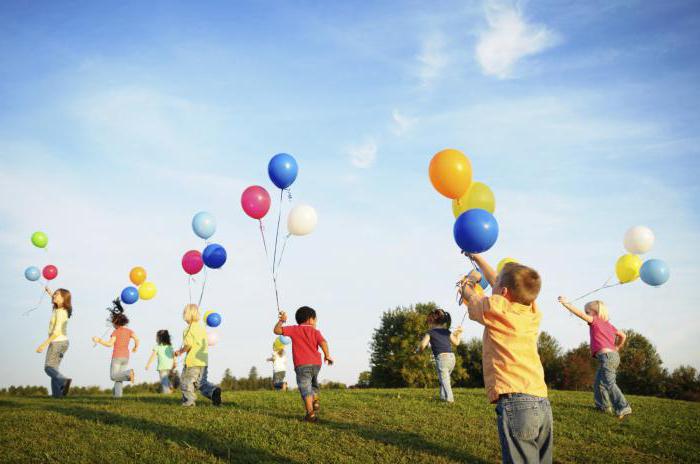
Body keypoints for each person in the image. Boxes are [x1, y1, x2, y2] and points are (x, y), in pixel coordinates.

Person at [461, 255, 552, 464]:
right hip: (541, 401)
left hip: (517, 403)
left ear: (502, 293)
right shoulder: (532, 310)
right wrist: (477, 258)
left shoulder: (496, 309)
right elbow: (500, 283)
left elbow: (473, 300)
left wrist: (467, 285)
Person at [558, 297, 631, 419]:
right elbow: (623, 335)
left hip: (607, 357)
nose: (586, 315)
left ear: (594, 313)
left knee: (609, 383)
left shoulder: (595, 321)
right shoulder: (609, 325)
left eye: (587, 312)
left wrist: (566, 304)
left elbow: (580, 314)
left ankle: (623, 406)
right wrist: (617, 346)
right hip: (611, 356)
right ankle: (603, 406)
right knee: (599, 383)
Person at [274, 306, 333, 422]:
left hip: (302, 365)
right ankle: (315, 399)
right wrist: (327, 355)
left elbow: (276, 331)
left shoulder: (294, 329)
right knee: (313, 384)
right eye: (315, 320)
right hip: (316, 364)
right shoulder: (315, 331)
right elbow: (323, 342)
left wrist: (282, 320)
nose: (316, 322)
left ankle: (310, 414)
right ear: (310, 320)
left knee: (305, 388)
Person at [174, 304, 222, 407]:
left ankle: (189, 402)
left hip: (193, 361)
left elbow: (188, 345)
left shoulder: (187, 330)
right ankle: (213, 391)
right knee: (201, 383)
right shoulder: (201, 328)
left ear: (187, 315)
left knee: (186, 382)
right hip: (203, 361)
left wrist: (180, 351)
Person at [92, 299, 139, 398]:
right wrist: (135, 346)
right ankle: (118, 397)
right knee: (119, 378)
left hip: (117, 357)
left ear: (115, 322)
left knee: (113, 376)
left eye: (112, 321)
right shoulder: (129, 331)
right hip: (126, 357)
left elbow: (109, 344)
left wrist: (99, 340)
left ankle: (129, 374)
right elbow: (137, 338)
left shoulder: (115, 332)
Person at [417, 308, 463, 403]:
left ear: (431, 321)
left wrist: (419, 350)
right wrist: (459, 333)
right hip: (452, 358)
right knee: (444, 378)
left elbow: (422, 345)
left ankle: (450, 400)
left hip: (442, 359)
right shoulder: (446, 331)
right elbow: (457, 342)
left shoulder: (430, 332)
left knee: (445, 380)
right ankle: (442, 397)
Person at [36, 287, 73, 398]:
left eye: (57, 294)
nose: (54, 296)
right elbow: (55, 298)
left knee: (48, 368)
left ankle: (64, 381)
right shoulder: (61, 310)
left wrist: (44, 344)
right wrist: (50, 292)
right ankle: (57, 396)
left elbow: (56, 332)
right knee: (54, 369)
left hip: (57, 342)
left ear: (63, 298)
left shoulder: (61, 313)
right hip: (63, 343)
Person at [145, 329, 176, 394]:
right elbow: (174, 356)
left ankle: (167, 394)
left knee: (164, 382)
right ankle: (170, 387)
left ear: (160, 338)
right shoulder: (170, 346)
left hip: (162, 367)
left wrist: (148, 364)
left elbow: (152, 356)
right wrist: (174, 363)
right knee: (167, 381)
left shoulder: (157, 347)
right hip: (170, 367)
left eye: (157, 337)